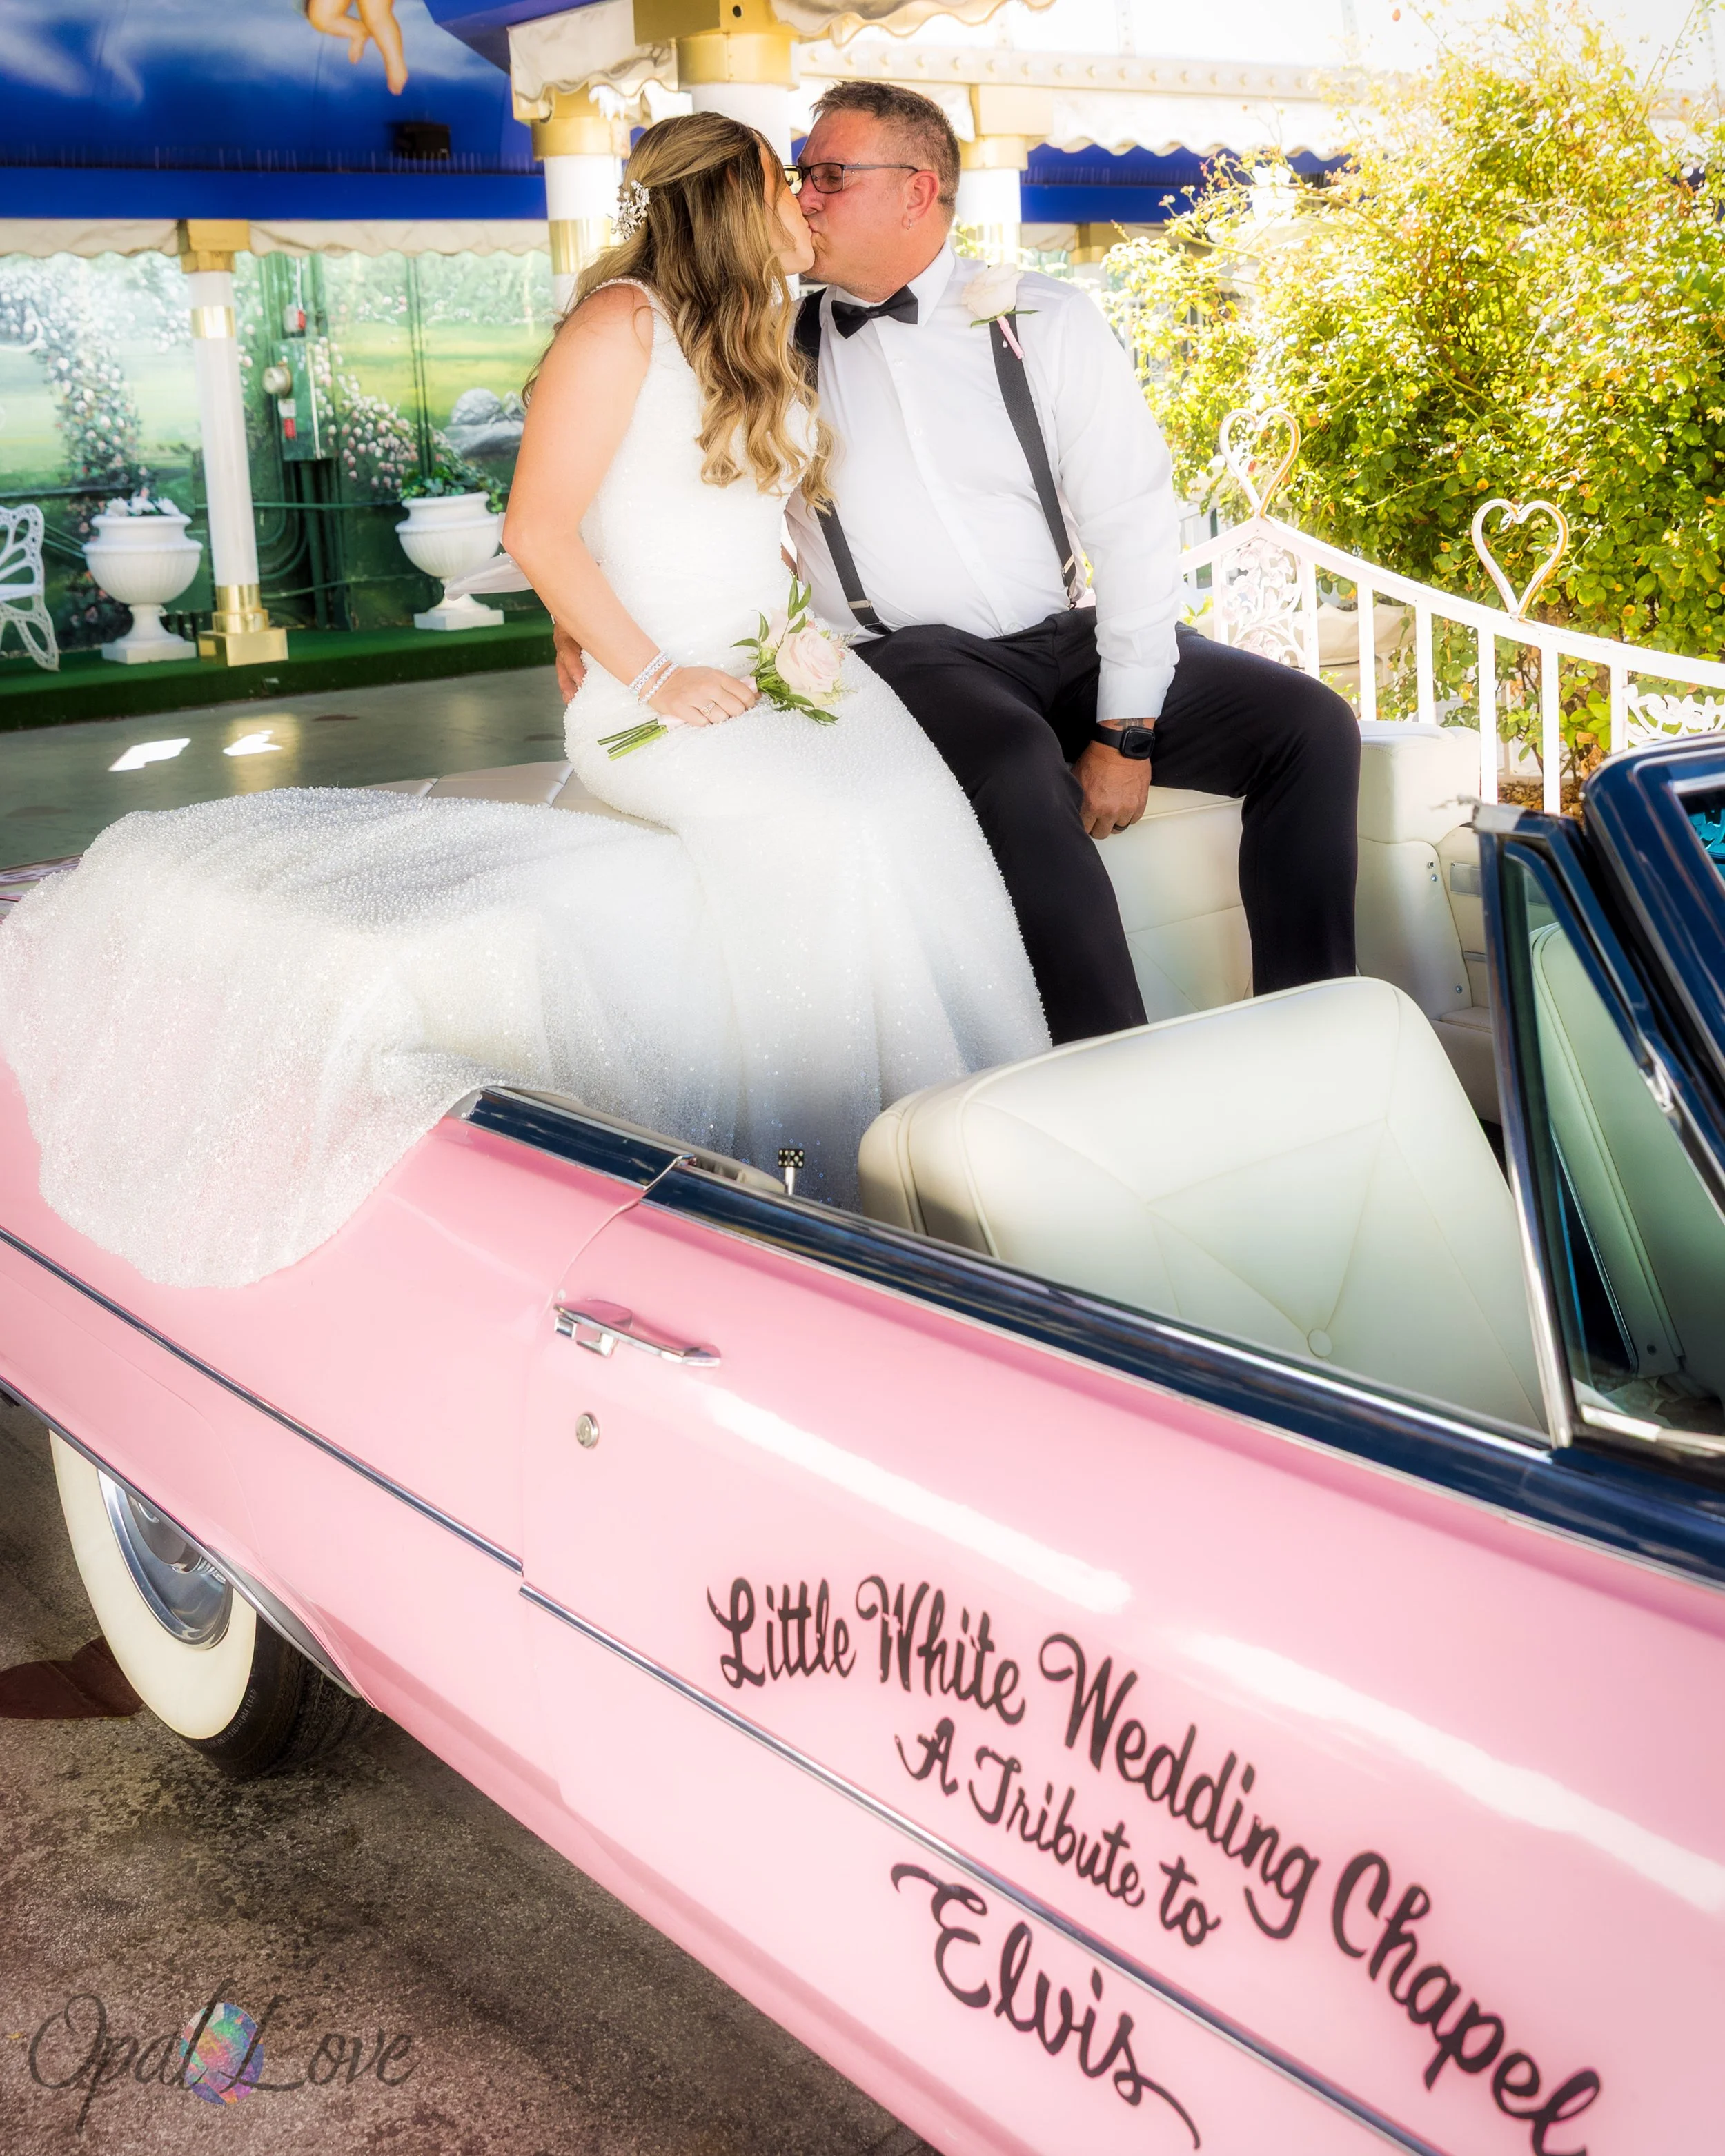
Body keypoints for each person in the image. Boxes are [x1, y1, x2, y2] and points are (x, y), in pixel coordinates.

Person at [0, 115, 1047, 1291]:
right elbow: (536, 528)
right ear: (721, 203)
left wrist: (792, 639)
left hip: (783, 667)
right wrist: (646, 669)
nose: (806, 204)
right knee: (832, 831)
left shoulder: (757, 330)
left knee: (914, 810)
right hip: (659, 690)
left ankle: (970, 1148)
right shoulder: (619, 328)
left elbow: (717, 522)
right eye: (782, 185)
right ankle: (821, 1169)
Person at [555, 83, 1359, 1047]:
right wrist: (586, 620)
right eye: (799, 178)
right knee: (1019, 766)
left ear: (917, 189)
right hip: (915, 657)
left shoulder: (1041, 320)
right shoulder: (758, 339)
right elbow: (625, 474)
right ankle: (1109, 1061)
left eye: (828, 176)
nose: (804, 198)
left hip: (1068, 639)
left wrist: (1127, 729)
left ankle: (1316, 1030)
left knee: (1311, 725)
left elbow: (1135, 525)